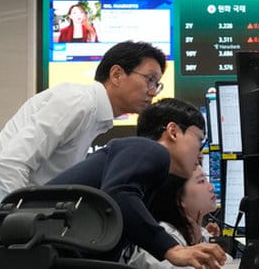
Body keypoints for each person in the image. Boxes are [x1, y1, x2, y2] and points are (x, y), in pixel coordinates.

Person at [0, 40, 166, 264]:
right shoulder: (79, 101)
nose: (153, 91)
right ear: (117, 74)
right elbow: (10, 165)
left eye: (157, 84)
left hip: (9, 222)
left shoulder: (93, 117)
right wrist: (20, 230)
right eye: (149, 79)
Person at [49, 98, 227, 269]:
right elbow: (117, 194)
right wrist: (172, 249)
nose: (201, 154)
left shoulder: (145, 169)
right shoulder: (150, 149)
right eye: (199, 140)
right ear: (173, 132)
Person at [128, 166, 221, 269]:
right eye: (201, 181)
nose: (211, 187)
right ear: (179, 198)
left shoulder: (198, 233)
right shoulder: (159, 244)